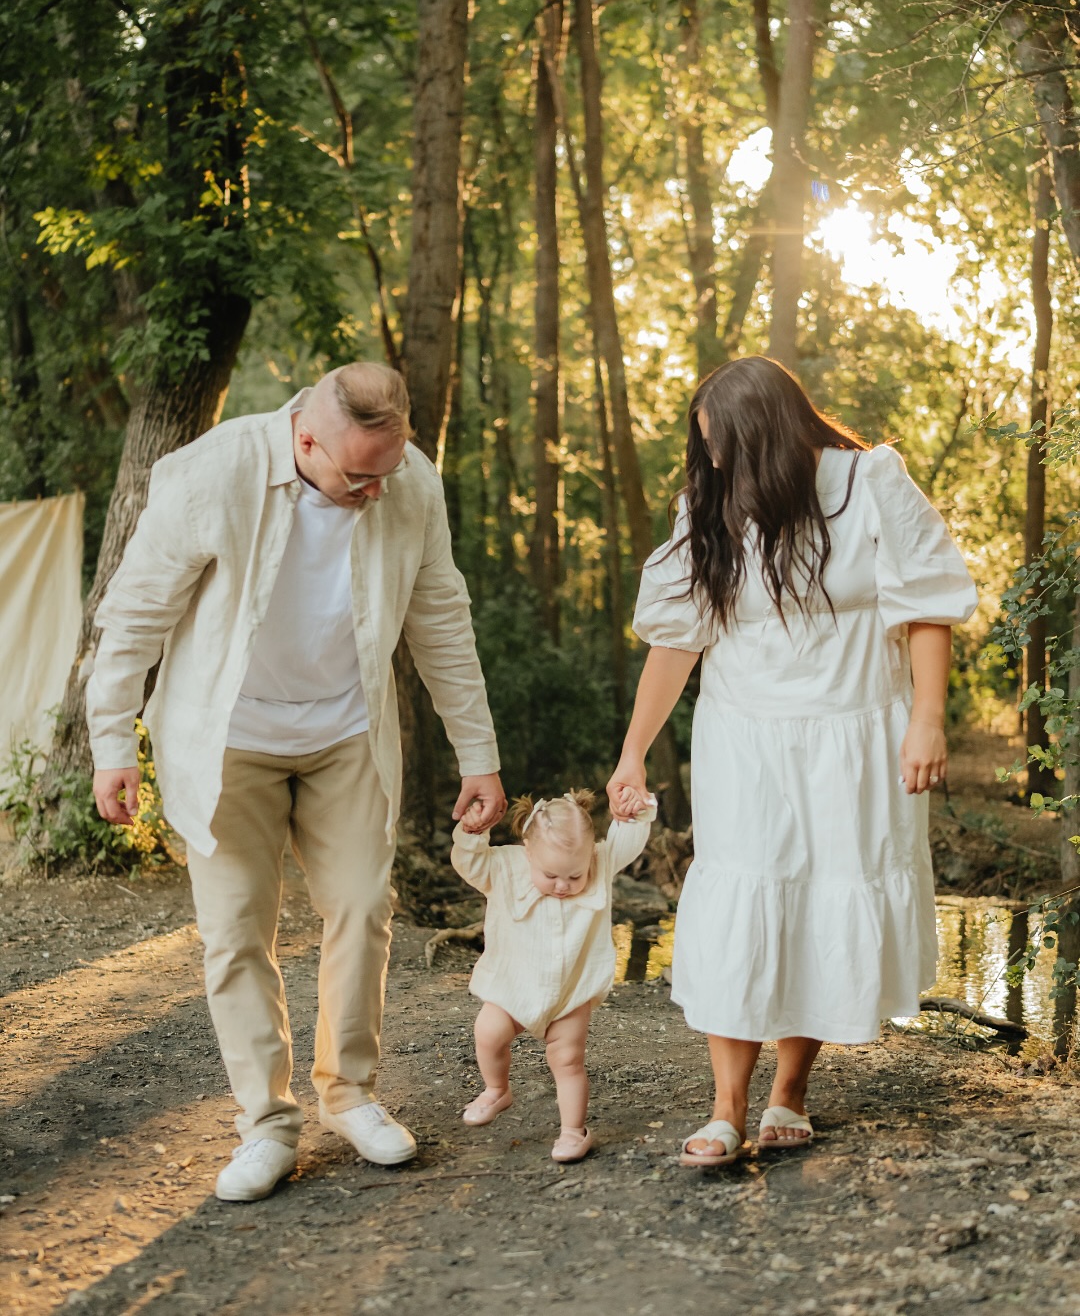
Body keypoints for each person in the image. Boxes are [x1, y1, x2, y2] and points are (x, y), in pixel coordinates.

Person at [88, 362, 506, 1201]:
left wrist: (478, 753)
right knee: (238, 927)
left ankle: (350, 1094)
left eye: (389, 469)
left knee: (361, 905)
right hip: (227, 735)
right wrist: (112, 742)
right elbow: (134, 613)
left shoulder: (407, 482)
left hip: (345, 732)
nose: (376, 490)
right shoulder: (218, 471)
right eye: (359, 475)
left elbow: (441, 620)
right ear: (304, 438)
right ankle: (267, 1124)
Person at [606, 356, 977, 1167]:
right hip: (746, 738)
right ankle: (725, 1107)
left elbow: (927, 607)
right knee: (744, 897)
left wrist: (926, 718)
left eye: (723, 445)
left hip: (856, 735)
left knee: (826, 897)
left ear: (769, 437)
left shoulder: (870, 484)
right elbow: (678, 639)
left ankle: (791, 1091)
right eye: (704, 446)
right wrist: (632, 754)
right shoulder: (706, 505)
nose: (711, 462)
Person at [449, 788, 657, 1161]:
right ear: (528, 852)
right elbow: (470, 863)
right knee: (488, 1032)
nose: (563, 885)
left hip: (570, 994)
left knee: (567, 1060)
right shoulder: (505, 867)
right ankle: (497, 1089)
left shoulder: (601, 862)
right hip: (513, 985)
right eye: (551, 875)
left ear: (591, 855)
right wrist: (472, 832)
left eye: (575, 876)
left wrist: (635, 813)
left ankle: (573, 1132)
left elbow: (628, 841)